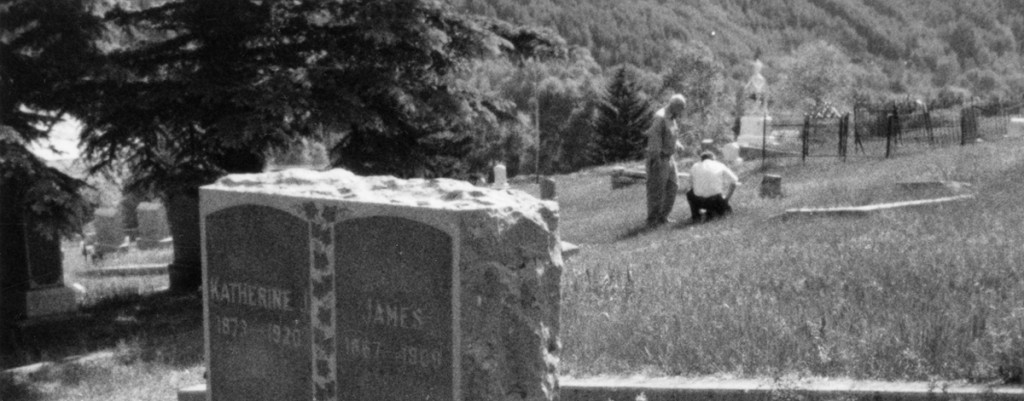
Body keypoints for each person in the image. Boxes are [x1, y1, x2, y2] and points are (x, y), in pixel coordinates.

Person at [645, 94, 687, 227]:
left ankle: (663, 216)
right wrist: (655, 159)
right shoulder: (660, 117)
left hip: (669, 158)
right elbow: (654, 139)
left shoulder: (672, 117)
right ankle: (652, 220)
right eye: (681, 108)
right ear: (675, 106)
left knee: (673, 186)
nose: (682, 111)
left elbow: (670, 135)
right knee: (656, 190)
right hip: (659, 158)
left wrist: (677, 144)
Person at [686, 151, 740, 222]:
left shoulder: (695, 166)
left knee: (689, 193)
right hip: (716, 200)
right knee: (722, 206)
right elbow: (735, 180)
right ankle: (721, 206)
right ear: (713, 158)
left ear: (701, 159)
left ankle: (696, 216)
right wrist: (726, 199)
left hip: (699, 201)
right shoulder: (719, 164)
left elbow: (690, 183)